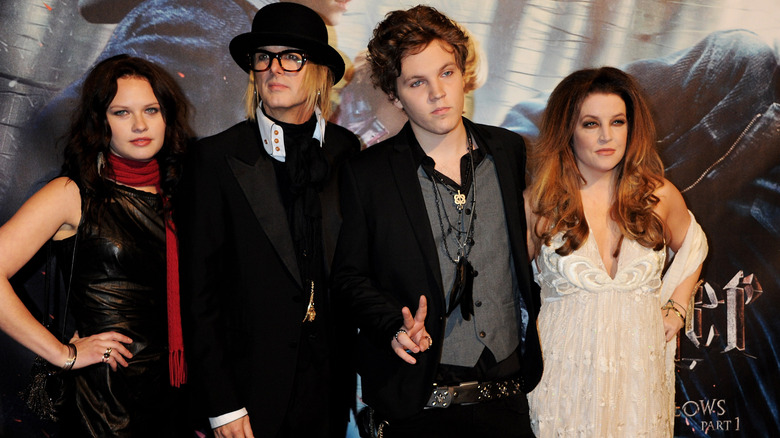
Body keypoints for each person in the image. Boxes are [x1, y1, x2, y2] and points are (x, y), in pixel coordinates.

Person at [331, 6, 543, 437]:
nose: (437, 93)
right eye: (417, 82)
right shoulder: (367, 174)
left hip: (507, 401)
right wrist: (392, 324)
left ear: (464, 73)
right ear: (394, 95)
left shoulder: (509, 151)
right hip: (418, 408)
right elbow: (349, 276)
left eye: (446, 73)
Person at [177, 3, 360, 437]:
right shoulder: (214, 159)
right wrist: (223, 406)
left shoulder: (346, 151)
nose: (274, 68)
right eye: (264, 57)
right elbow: (200, 296)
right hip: (248, 397)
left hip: (329, 392)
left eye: (291, 57)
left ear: (318, 71)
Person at [0, 54, 192, 436]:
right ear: (100, 122)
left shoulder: (186, 195)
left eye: (151, 110)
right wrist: (63, 353)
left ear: (166, 116)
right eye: (122, 112)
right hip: (103, 404)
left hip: (180, 397)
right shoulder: (72, 193)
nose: (140, 125)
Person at [523, 67, 708, 437]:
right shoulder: (539, 205)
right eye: (590, 124)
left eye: (618, 122)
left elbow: (695, 246)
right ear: (567, 131)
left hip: (639, 376)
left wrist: (677, 307)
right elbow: (501, 282)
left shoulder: (659, 196)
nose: (607, 136)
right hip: (563, 377)